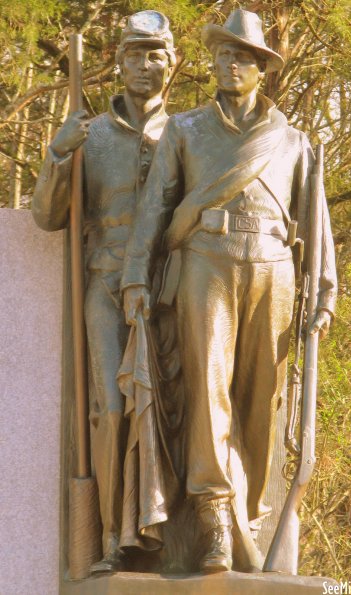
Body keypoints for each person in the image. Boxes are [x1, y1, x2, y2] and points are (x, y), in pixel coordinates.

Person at [122, 9, 337, 573]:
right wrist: (135, 277)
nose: (230, 62)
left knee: (264, 400)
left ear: (261, 68)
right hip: (205, 264)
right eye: (222, 54)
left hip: (275, 270)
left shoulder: (292, 140)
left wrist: (326, 295)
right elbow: (154, 210)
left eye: (242, 56)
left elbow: (315, 225)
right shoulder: (185, 129)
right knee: (208, 390)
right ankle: (215, 515)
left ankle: (256, 513)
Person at [32, 11, 176, 573]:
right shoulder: (90, 133)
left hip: (168, 287)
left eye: (156, 54)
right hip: (106, 281)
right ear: (118, 62)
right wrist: (58, 154)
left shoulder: (186, 132)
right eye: (136, 54)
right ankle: (114, 535)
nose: (146, 65)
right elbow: (47, 217)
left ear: (172, 62)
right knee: (112, 408)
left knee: (163, 412)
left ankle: (167, 531)